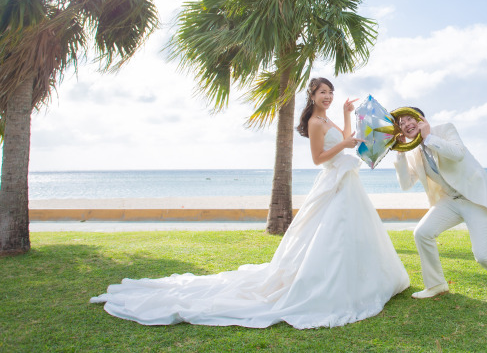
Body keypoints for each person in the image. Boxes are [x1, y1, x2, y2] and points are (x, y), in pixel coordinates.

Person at [90, 78, 410, 328]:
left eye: (330, 91)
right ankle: (331, 288)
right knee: (330, 237)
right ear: (311, 96)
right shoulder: (314, 122)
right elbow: (319, 158)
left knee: (351, 233)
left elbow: (345, 140)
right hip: (333, 180)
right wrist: (345, 140)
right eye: (322, 92)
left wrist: (345, 116)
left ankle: (362, 282)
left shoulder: (327, 119)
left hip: (346, 179)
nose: (327, 95)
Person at [393, 108, 487, 300]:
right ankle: (436, 285)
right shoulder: (413, 153)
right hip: (450, 200)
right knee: (422, 233)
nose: (406, 125)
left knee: (483, 254)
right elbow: (406, 184)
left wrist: (428, 137)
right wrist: (400, 153)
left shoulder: (445, 130)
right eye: (401, 124)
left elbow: (458, 154)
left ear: (421, 119)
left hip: (476, 198)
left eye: (409, 119)